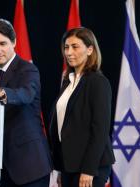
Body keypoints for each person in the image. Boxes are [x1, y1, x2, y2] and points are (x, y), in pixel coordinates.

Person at [0, 19, 52, 187]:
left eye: (2, 43)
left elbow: (26, 94)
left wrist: (1, 92)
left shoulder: (27, 69)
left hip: (30, 166)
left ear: (14, 42)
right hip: (0, 169)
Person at [48, 27, 115, 187]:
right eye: (66, 47)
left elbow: (100, 130)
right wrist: (59, 168)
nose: (69, 52)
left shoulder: (98, 82)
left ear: (90, 49)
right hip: (68, 166)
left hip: (90, 166)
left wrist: (89, 170)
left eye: (75, 47)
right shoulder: (68, 81)